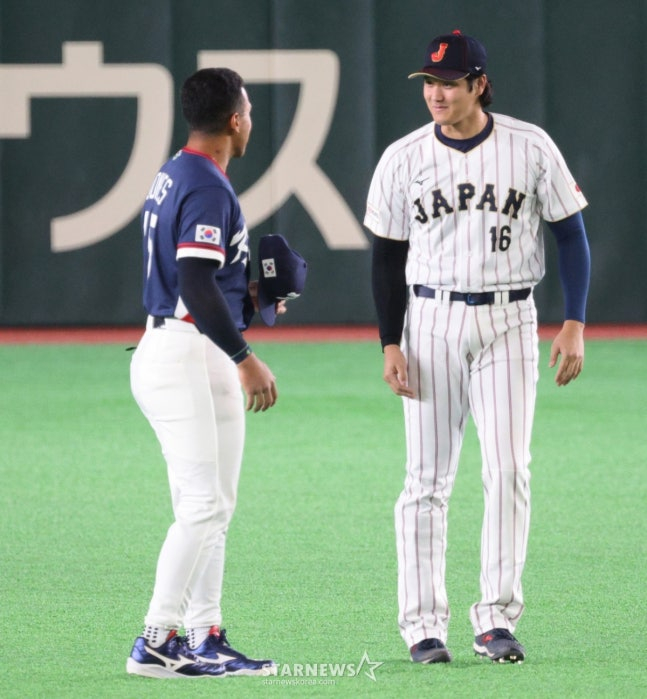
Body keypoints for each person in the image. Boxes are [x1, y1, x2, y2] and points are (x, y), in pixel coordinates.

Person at [365, 30, 590, 664]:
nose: (436, 94)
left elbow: (571, 236)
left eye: (450, 83)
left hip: (510, 321)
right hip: (429, 321)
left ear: (479, 84)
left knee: (509, 469)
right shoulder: (403, 158)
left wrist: (575, 320)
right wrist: (389, 341)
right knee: (426, 480)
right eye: (430, 83)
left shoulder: (530, 147)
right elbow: (386, 258)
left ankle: (495, 617)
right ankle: (422, 627)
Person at [127, 67, 296, 679]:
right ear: (233, 121)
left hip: (178, 345)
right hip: (184, 353)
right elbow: (194, 282)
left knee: (212, 506)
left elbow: (202, 277)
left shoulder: (177, 172)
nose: (250, 120)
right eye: (247, 110)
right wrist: (245, 357)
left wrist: (249, 294)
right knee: (201, 506)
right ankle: (154, 639)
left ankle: (206, 636)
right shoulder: (206, 185)